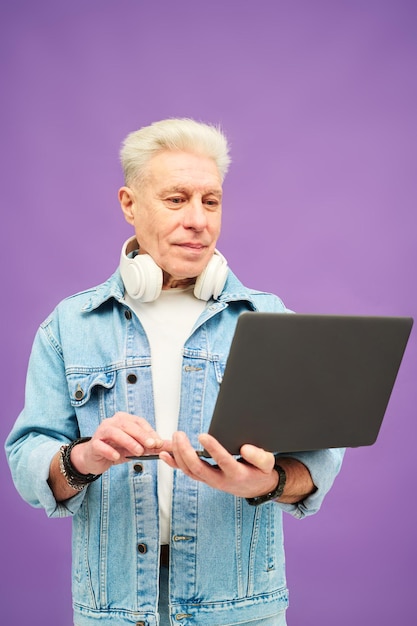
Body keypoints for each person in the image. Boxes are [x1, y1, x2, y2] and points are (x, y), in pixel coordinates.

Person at [5, 118, 344, 626]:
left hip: (240, 610)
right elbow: (27, 459)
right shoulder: (69, 326)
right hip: (115, 610)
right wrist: (85, 457)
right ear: (129, 204)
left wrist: (268, 484)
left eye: (211, 201)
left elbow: (319, 459)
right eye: (176, 199)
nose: (198, 220)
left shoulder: (270, 319)